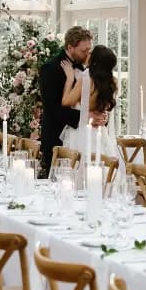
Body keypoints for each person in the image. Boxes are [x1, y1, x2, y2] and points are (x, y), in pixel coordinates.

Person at [39, 26, 96, 177]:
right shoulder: (50, 68)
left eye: (89, 50)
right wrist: (85, 117)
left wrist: (100, 116)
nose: (87, 54)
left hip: (83, 138)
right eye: (84, 51)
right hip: (56, 138)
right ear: (70, 47)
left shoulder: (89, 69)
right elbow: (52, 108)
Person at [59, 44, 118, 159]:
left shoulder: (86, 78)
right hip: (100, 132)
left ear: (95, 60)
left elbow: (66, 102)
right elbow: (104, 108)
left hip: (82, 133)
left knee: (78, 166)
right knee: (102, 165)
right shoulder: (113, 82)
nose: (88, 54)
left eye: (91, 53)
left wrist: (70, 79)